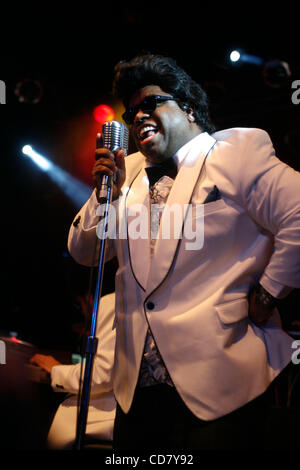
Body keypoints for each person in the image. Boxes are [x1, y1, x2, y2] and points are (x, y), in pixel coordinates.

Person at [67, 54, 300, 451]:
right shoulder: (128, 173)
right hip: (136, 392)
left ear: (189, 107)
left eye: (150, 103)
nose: (138, 116)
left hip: (222, 380)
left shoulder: (234, 153)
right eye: (131, 112)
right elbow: (83, 252)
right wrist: (109, 193)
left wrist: (268, 293)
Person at [30, 292, 116, 449]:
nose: (82, 311)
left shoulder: (111, 301)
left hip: (107, 419)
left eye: (79, 304)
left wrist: (56, 370)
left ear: (89, 297)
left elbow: (102, 375)